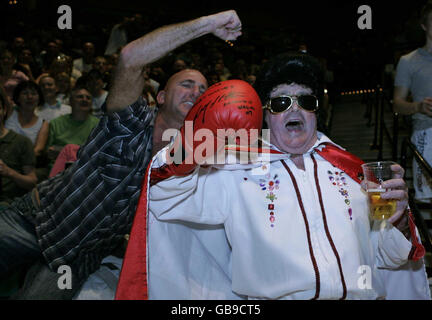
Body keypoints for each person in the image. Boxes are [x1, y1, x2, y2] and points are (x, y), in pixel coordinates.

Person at [117, 53, 430, 300]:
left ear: (316, 111)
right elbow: (163, 194)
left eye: (306, 101)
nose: (295, 108)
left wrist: (400, 223)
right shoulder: (233, 170)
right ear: (265, 114)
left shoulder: (349, 170)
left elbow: (388, 258)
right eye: (281, 101)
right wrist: (198, 136)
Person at [0, 10, 243, 300]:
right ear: (161, 96)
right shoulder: (132, 120)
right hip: (34, 220)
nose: (196, 91)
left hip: (76, 257)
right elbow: (130, 57)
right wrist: (208, 24)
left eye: (203, 90)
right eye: (186, 84)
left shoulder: (191, 159)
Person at [393, 1, 432, 203]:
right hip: (426, 133)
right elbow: (397, 104)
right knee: (426, 201)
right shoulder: (408, 61)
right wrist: (418, 106)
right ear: (424, 25)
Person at [0, 85, 37, 206]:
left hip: (8, 204)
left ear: (4, 111)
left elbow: (32, 182)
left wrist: (9, 172)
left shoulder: (21, 142)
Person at [45, 85, 99, 164]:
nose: (84, 100)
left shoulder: (98, 124)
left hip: (86, 167)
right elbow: (48, 151)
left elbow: (98, 152)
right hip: (59, 167)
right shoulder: (56, 123)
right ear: (70, 101)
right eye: (80, 97)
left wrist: (64, 151)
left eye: (88, 98)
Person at [5, 80, 49, 158]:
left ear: (39, 98)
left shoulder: (43, 123)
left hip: (26, 163)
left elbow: (38, 150)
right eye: (25, 93)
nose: (30, 97)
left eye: (34, 94)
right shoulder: (9, 113)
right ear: (17, 98)